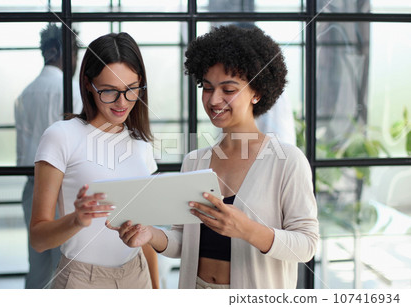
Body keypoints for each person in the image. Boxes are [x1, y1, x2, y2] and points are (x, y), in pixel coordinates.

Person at [112, 25, 319, 289]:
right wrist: (149, 233)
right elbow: (184, 242)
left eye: (228, 90)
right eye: (207, 87)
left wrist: (246, 229)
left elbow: (307, 245)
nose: (214, 99)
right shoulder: (194, 161)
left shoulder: (287, 160)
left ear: (257, 92)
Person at [29, 32, 159, 289]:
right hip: (82, 281)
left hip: (138, 275)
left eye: (131, 90)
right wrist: (76, 220)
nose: (122, 102)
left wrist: (156, 290)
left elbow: (146, 233)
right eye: (109, 91)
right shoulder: (61, 136)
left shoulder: (140, 143)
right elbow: (38, 239)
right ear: (88, 84)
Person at [14, 24, 81, 289]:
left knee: (38, 264)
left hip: (31, 188)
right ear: (56, 51)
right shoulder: (71, 91)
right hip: (61, 190)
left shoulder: (24, 95)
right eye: (74, 52)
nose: (76, 60)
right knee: (64, 265)